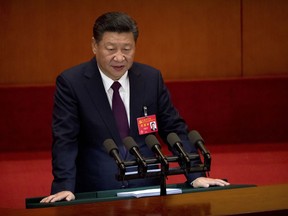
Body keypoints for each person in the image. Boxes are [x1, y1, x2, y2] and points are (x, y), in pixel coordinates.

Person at [41, 12, 229, 203]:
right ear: (94, 46)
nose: (119, 57)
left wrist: (196, 173)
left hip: (150, 190)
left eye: (127, 49)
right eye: (111, 49)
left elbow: (174, 128)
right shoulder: (72, 83)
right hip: (96, 192)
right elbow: (65, 139)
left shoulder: (150, 79)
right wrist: (64, 186)